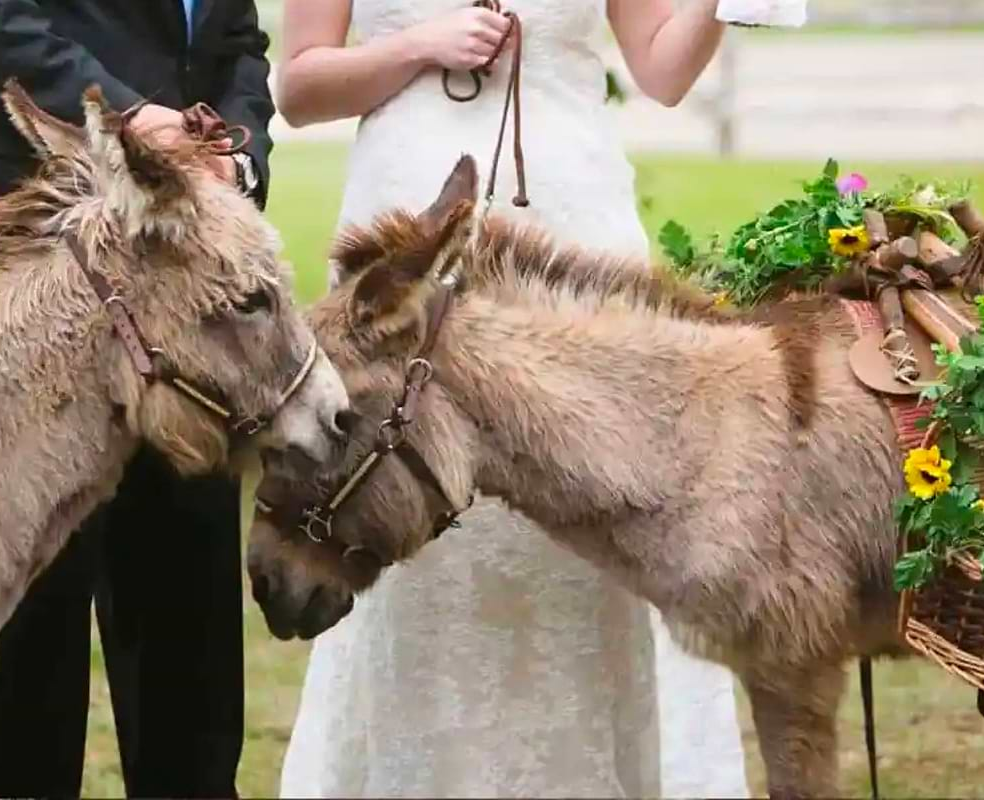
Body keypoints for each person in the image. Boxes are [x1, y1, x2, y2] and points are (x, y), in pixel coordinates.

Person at [272, 0, 747, 796]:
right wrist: (423, 46)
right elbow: (298, 86)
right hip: (408, 237)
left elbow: (663, 71)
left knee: (596, 514)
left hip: (574, 232)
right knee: (405, 499)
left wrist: (723, 6)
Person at [0, 0, 275, 796]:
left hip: (187, 288)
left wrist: (235, 160)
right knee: (36, 618)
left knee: (190, 615)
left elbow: (235, 42)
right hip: (40, 260)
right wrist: (129, 118)